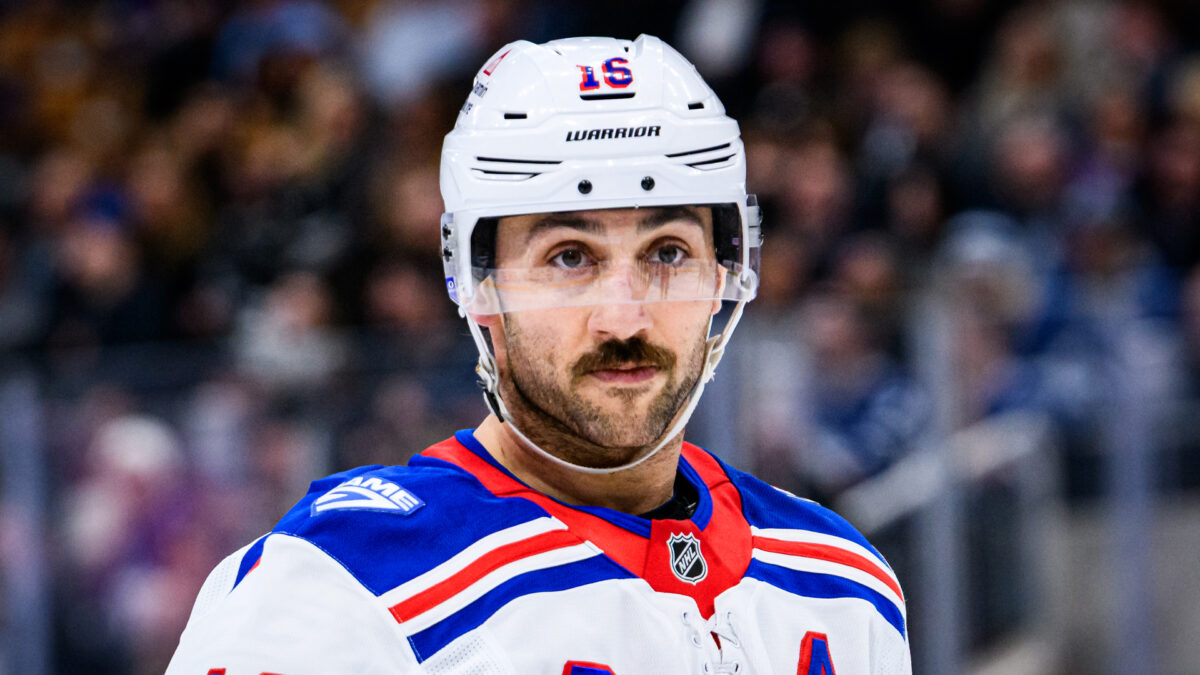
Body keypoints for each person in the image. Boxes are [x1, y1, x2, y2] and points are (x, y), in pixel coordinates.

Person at [167, 35, 910, 674]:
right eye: (569, 257)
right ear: (479, 283)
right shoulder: (340, 583)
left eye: (668, 252)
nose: (624, 317)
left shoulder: (843, 582)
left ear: (726, 271)